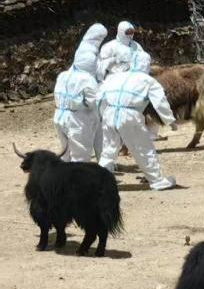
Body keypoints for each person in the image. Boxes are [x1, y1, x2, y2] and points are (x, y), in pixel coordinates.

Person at [97, 54, 177, 190]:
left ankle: (99, 181)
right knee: (143, 148)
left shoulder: (114, 77)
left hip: (110, 113)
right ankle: (157, 181)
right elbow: (160, 102)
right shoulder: (147, 80)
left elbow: (100, 97)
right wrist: (170, 120)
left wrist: (103, 114)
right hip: (130, 115)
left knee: (108, 150)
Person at [52, 25, 106, 162]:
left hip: (59, 116)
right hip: (78, 119)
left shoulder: (63, 75)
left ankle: (64, 175)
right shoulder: (88, 79)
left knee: (65, 153)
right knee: (80, 155)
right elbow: (92, 102)